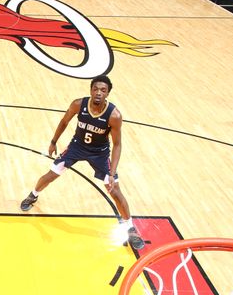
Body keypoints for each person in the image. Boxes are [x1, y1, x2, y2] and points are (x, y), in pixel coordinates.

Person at [20, 75, 145, 250]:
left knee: (115, 189)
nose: (99, 93)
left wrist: (112, 171)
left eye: (103, 90)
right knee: (51, 175)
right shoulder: (78, 104)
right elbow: (64, 121)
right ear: (91, 90)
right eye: (96, 89)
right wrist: (53, 142)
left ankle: (130, 227)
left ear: (108, 93)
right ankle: (33, 194)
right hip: (76, 147)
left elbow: (117, 144)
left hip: (100, 154)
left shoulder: (114, 115)